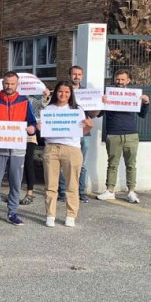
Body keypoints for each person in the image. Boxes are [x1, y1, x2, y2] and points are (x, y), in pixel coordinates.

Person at [0, 71, 37, 226]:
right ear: (2, 83)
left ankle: (12, 212)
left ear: (17, 84)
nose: (9, 86)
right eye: (6, 83)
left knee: (16, 182)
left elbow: (31, 122)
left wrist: (32, 128)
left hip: (17, 149)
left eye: (12, 83)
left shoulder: (25, 102)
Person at [40, 81, 93, 227]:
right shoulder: (48, 109)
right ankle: (50, 214)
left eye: (67, 92)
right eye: (60, 91)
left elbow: (81, 133)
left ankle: (71, 215)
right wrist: (40, 127)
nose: (63, 95)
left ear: (71, 94)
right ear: (55, 92)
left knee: (72, 184)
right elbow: (44, 131)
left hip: (72, 148)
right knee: (51, 183)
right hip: (51, 148)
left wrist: (89, 127)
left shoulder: (77, 110)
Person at [97, 69, 150, 203]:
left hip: (131, 134)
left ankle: (131, 192)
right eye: (118, 79)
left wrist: (146, 103)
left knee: (131, 165)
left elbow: (142, 115)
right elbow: (98, 114)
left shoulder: (134, 95)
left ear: (128, 81)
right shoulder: (108, 95)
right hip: (113, 134)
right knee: (112, 164)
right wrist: (101, 102)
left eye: (122, 79)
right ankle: (110, 190)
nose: (120, 82)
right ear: (114, 80)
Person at [56, 66, 97, 203]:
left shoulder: (87, 93)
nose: (77, 77)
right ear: (69, 75)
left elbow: (93, 114)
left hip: (84, 132)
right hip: (66, 133)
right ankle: (62, 192)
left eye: (79, 74)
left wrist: (99, 104)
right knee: (64, 164)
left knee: (82, 164)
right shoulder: (63, 91)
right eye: (74, 74)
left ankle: (81, 192)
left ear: (82, 76)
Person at [19, 88, 49, 206]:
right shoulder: (12, 100)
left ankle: (30, 192)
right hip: (14, 134)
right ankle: (14, 192)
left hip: (29, 136)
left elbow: (42, 110)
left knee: (28, 162)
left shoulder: (32, 100)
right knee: (14, 164)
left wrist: (45, 98)